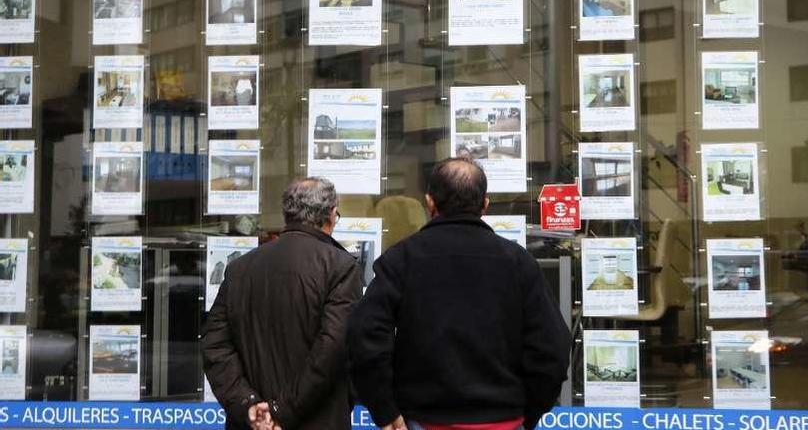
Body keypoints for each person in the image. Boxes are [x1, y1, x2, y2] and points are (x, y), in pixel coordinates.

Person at [347, 158, 571, 430]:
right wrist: (529, 411)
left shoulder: (402, 259)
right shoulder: (518, 262)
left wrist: (384, 408)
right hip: (502, 419)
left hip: (423, 418)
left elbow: (365, 337)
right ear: (485, 204)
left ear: (430, 202)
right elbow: (553, 349)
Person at [202, 178, 361, 430]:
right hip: (316, 420)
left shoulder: (240, 268)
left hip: (253, 423)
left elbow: (215, 345)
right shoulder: (340, 267)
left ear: (287, 214)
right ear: (330, 216)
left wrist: (248, 404)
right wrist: (281, 411)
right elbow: (332, 351)